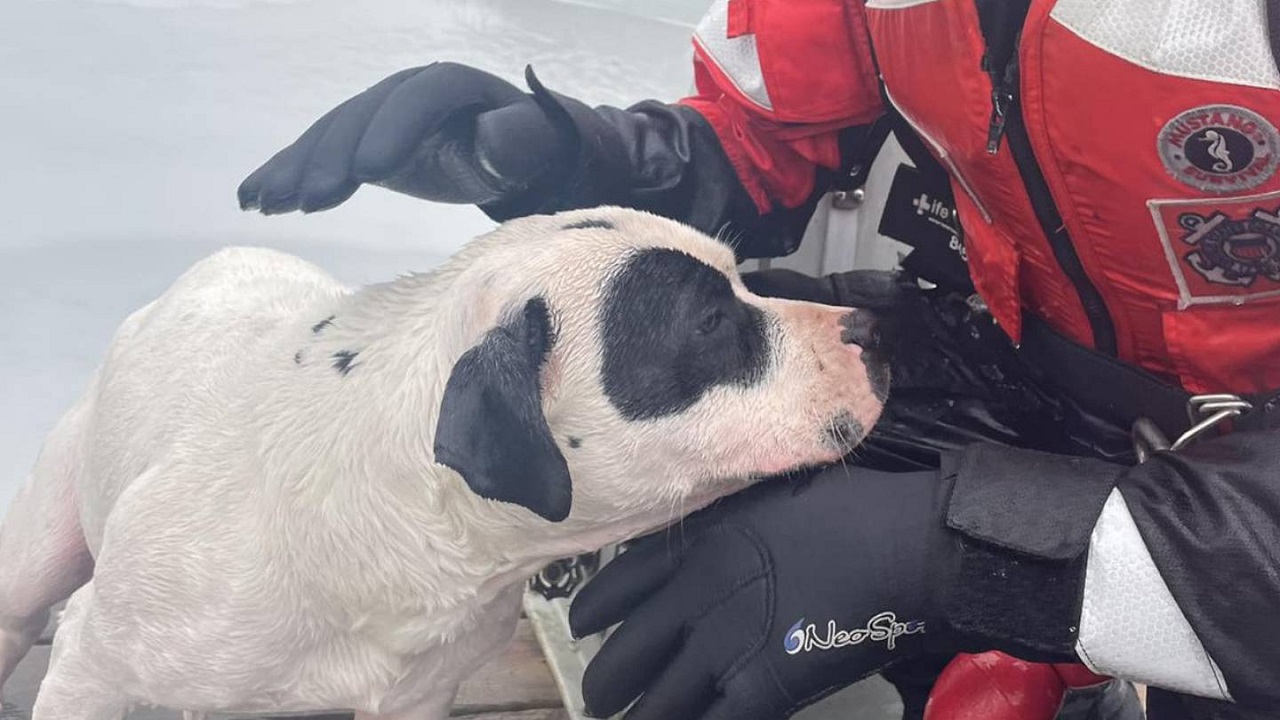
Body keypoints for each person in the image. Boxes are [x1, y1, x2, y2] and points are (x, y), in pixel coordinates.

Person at [236, 1, 1280, 718]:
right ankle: (996, 657)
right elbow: (762, 142)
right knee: (709, 409)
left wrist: (981, 550)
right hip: (1027, 370)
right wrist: (572, 154)